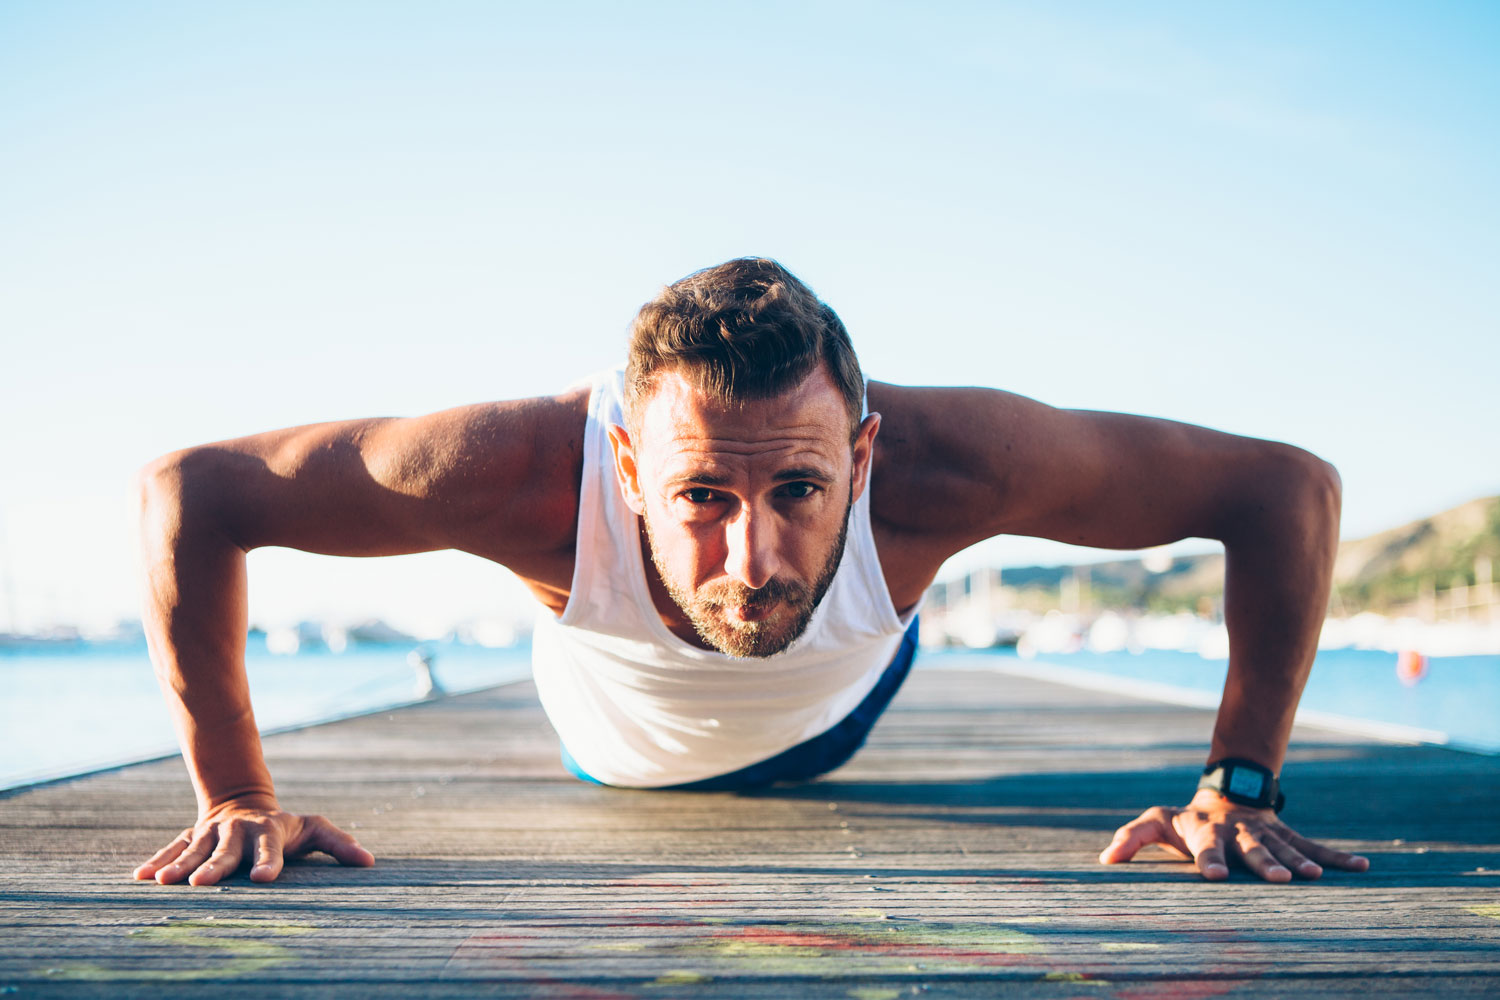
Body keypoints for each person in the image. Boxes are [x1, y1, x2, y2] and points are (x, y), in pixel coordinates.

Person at [131, 257, 1370, 888]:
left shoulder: (952, 469)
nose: (754, 559)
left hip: (847, 698)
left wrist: (1239, 783)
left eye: (800, 490)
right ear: (625, 465)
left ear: (864, 449)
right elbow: (193, 494)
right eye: (701, 498)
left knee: (851, 609)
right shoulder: (517, 477)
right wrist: (236, 791)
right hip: (608, 732)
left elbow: (1285, 490)